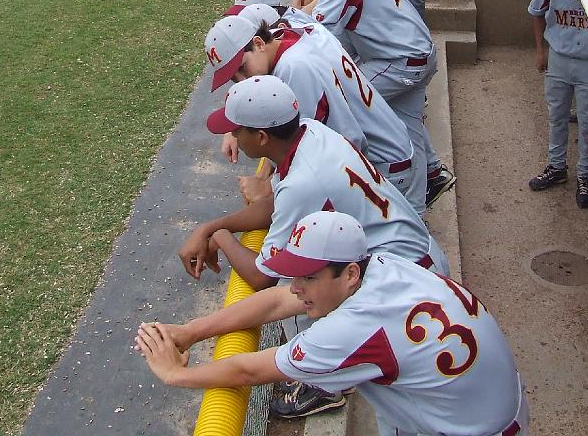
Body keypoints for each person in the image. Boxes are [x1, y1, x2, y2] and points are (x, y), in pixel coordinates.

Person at [180, 76, 449, 417]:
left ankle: (322, 384)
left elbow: (262, 278)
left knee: (295, 282)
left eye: (237, 131)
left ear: (261, 137)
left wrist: (218, 238)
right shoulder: (309, 132)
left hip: (405, 283)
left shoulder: (303, 182)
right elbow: (278, 203)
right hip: (410, 257)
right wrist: (214, 226)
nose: (233, 137)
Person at [140, 211, 528, 436]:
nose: (295, 286)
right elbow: (280, 299)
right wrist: (192, 331)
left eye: (308, 277)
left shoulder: (353, 328)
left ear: (349, 275)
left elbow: (248, 370)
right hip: (483, 403)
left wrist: (177, 375)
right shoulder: (383, 266)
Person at [303, 0, 455, 209]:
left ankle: (397, 203)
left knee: (346, 102)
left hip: (401, 60)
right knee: (407, 123)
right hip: (416, 52)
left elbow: (315, 30)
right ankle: (432, 174)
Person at [203, 14, 425, 210]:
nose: (243, 80)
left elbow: (301, 151)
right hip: (387, 142)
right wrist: (234, 125)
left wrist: (268, 189)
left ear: (259, 43)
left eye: (242, 68)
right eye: (232, 78)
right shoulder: (287, 34)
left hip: (380, 163)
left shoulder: (294, 70)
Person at [526, 0, 588, 209]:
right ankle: (557, 167)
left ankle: (585, 175)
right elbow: (536, 13)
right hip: (559, 57)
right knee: (556, 116)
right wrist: (540, 51)